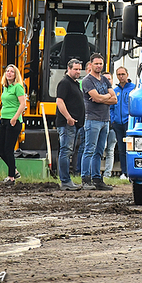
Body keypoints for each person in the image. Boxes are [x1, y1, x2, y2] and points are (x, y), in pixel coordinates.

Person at [80, 53, 117, 190]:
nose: (99, 66)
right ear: (91, 65)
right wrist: (105, 97)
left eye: (100, 64)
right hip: (92, 120)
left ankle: (97, 179)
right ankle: (85, 179)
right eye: (96, 64)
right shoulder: (87, 81)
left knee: (100, 151)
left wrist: (103, 97)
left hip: (105, 120)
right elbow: (98, 98)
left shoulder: (104, 80)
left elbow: (115, 99)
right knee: (89, 149)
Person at [56, 59, 85, 191]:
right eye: (75, 69)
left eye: (79, 69)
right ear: (68, 68)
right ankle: (65, 181)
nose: (78, 72)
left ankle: (67, 180)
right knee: (65, 151)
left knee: (68, 152)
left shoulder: (75, 83)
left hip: (74, 124)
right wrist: (68, 117)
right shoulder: (65, 83)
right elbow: (59, 102)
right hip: (68, 124)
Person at [0, 64, 26, 185]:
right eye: (7, 71)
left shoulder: (18, 87)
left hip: (13, 121)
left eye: (12, 72)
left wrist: (14, 118)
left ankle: (11, 177)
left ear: (15, 75)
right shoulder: (5, 88)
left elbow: (22, 104)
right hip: (3, 120)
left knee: (8, 149)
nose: (9, 73)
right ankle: (14, 170)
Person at [111, 66, 135, 180]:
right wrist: (113, 119)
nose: (121, 77)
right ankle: (124, 172)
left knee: (130, 148)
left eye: (123, 74)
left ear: (127, 75)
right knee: (121, 149)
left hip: (128, 123)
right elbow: (111, 107)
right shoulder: (115, 91)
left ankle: (131, 172)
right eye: (119, 75)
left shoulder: (133, 89)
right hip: (118, 123)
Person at [73, 60, 91, 175]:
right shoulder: (80, 84)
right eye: (89, 70)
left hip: (93, 117)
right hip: (82, 117)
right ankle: (78, 170)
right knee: (81, 145)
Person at [102, 72, 117, 178]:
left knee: (110, 150)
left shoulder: (116, 92)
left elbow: (115, 101)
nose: (108, 80)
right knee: (100, 148)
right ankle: (96, 173)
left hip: (113, 126)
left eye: (109, 78)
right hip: (102, 123)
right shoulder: (99, 91)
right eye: (105, 78)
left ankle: (107, 174)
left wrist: (103, 99)